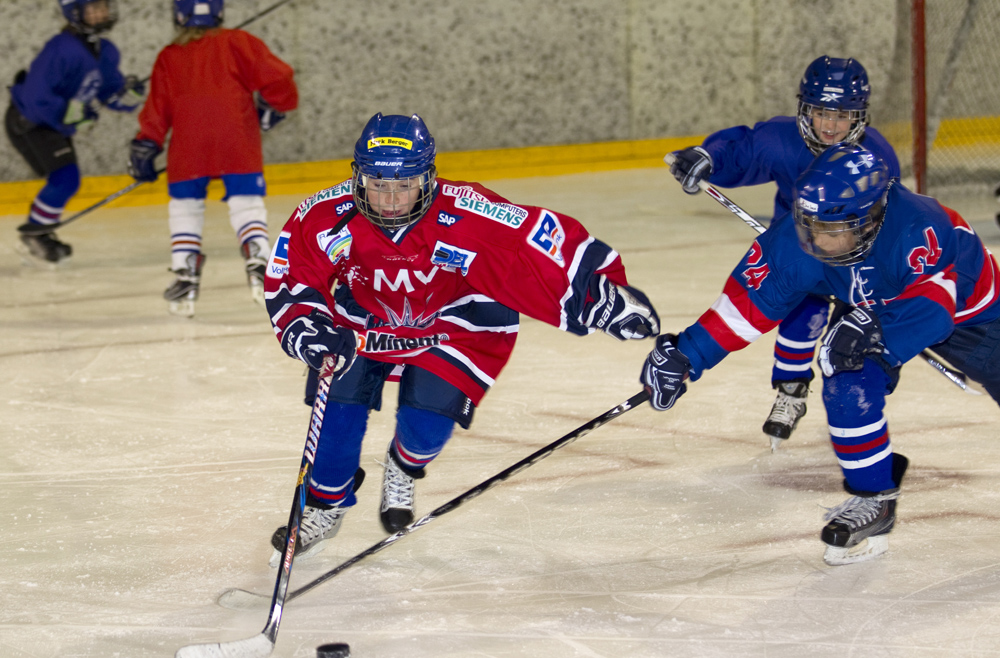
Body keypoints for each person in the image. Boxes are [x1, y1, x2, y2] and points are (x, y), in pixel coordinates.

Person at [262, 112, 659, 562]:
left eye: (404, 184)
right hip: (364, 320)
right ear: (358, 177)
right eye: (377, 184)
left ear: (427, 178)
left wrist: (600, 296)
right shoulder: (324, 216)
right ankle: (325, 505)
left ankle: (404, 467)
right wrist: (308, 328)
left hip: (458, 323)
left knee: (427, 424)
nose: (390, 200)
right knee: (337, 406)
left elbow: (538, 245)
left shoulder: (469, 211)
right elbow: (292, 277)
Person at [642, 143, 1000, 565]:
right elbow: (749, 303)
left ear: (871, 219)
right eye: (809, 225)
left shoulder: (920, 227)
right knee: (846, 376)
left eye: (833, 230)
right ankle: (874, 496)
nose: (816, 241)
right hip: (870, 302)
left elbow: (934, 311)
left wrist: (876, 327)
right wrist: (688, 354)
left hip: (972, 319)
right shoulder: (801, 236)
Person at [665, 56, 900, 449]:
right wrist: (707, 158)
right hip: (796, 243)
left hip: (855, 256)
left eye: (842, 115)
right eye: (821, 112)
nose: (830, 125)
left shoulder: (878, 160)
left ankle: (856, 411)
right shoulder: (782, 139)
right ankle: (791, 391)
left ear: (861, 116)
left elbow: (890, 228)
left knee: (852, 340)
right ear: (804, 109)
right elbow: (741, 150)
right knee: (799, 310)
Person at [129, 0, 298, 317]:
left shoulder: (169, 56)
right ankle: (258, 262)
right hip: (237, 138)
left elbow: (158, 108)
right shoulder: (239, 42)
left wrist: (146, 144)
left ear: (178, 14)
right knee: (247, 204)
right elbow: (279, 77)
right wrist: (274, 106)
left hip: (189, 145)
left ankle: (185, 274)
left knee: (186, 207)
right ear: (219, 11)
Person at [5, 0, 143, 265]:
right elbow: (35, 95)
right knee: (66, 179)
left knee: (65, 180)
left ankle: (40, 230)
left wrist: (126, 95)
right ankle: (37, 232)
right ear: (74, 12)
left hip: (52, 122)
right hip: (29, 120)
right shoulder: (62, 48)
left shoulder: (106, 51)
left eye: (103, 6)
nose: (101, 12)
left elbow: (108, 92)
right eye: (93, 8)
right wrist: (70, 112)